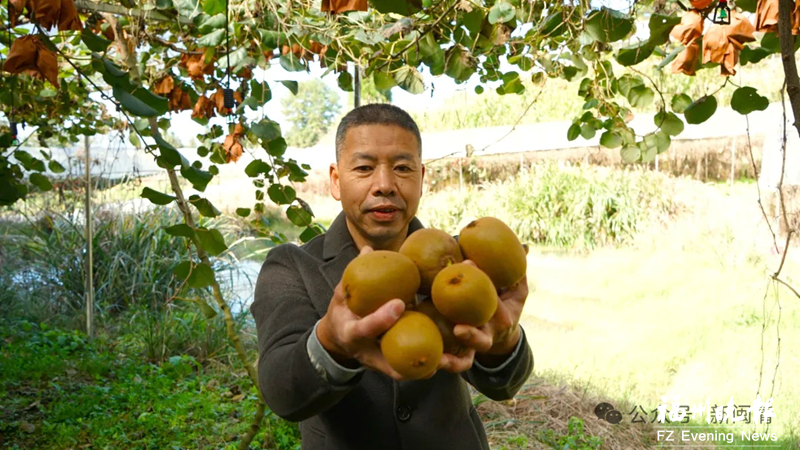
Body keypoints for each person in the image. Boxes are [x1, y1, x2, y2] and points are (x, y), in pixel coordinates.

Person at [250, 103, 534, 450]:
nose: (384, 185)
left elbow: (505, 386)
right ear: (337, 181)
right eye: (364, 167)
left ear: (421, 178)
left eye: (402, 168)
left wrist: (503, 338)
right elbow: (283, 394)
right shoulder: (291, 266)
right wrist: (333, 342)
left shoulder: (460, 264)